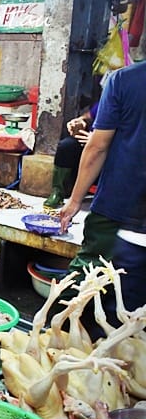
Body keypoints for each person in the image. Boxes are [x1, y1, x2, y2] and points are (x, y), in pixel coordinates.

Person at [59, 61, 146, 335]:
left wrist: (75, 201)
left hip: (119, 204)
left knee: (87, 281)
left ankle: (62, 342)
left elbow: (97, 147)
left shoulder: (125, 80)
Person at [43, 102, 99, 208]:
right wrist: (81, 121)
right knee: (66, 146)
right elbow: (90, 115)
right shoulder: (107, 100)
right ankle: (58, 192)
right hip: (88, 141)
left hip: (110, 148)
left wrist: (98, 140)